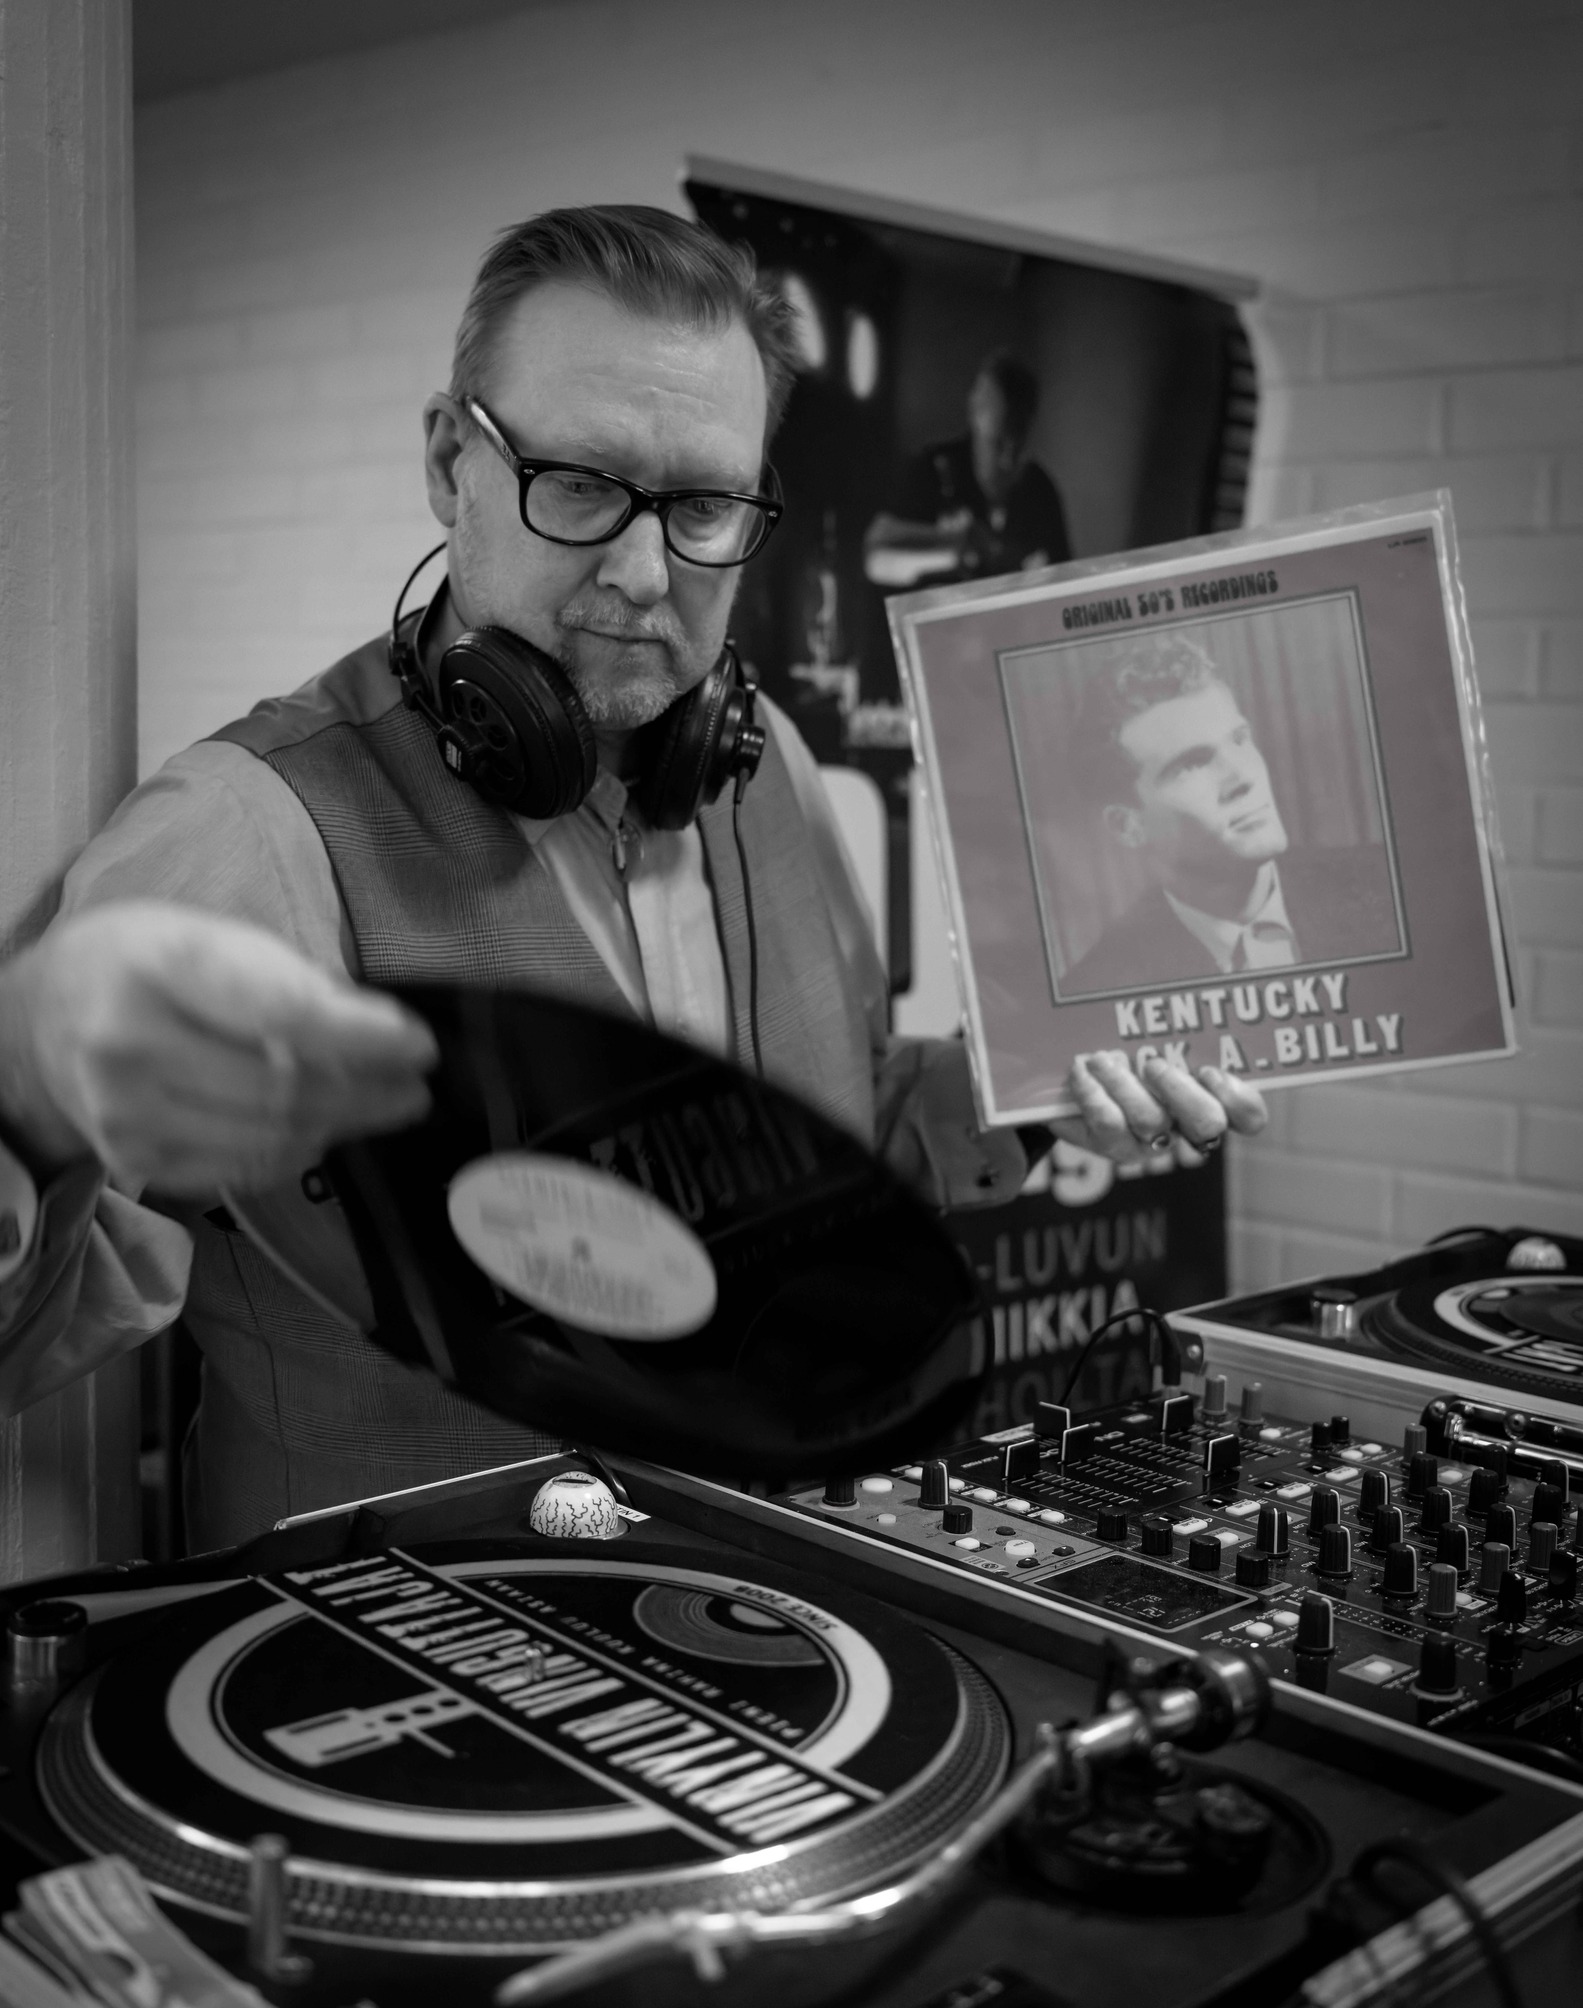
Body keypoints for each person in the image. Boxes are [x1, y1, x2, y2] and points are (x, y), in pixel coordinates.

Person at [0, 209, 1263, 1547]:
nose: (644, 573)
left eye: (703, 506)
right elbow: (32, 1335)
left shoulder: (764, 766)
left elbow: (834, 1127)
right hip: (373, 1647)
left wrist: (1030, 1094)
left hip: (762, 1615)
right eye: (581, 485)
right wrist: (26, 1099)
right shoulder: (246, 827)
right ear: (449, 461)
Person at [1063, 635, 1399, 996]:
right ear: (1128, 826)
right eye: (1191, 764)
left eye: (1239, 739)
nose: (1242, 778)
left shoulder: (1389, 888)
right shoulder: (1097, 990)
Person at [864, 349, 1070, 588]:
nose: (1007, 460)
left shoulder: (1040, 489)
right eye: (997, 444)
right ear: (976, 419)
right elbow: (876, 555)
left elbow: (1063, 583)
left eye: (1018, 447)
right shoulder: (933, 469)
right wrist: (956, 544)